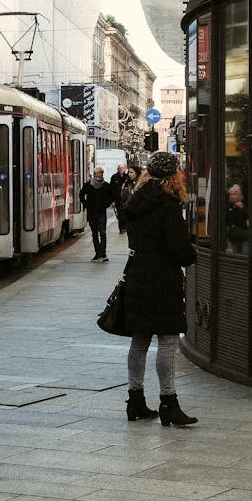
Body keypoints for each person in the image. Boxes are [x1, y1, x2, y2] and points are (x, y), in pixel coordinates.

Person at [122, 151, 198, 426]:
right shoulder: (167, 205)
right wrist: (190, 250)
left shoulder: (134, 202)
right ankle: (168, 403)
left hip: (137, 276)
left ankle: (136, 400)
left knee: (140, 340)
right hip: (163, 281)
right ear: (173, 176)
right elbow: (181, 252)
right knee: (167, 341)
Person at [79, 166, 113, 262]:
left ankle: (103, 253)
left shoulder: (106, 186)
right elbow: (81, 195)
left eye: (99, 177)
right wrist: (86, 204)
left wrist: (106, 204)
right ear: (93, 175)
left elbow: (112, 196)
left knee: (102, 233)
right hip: (92, 212)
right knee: (94, 234)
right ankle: (97, 253)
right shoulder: (88, 185)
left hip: (101, 212)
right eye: (96, 177)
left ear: (102, 175)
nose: (98, 179)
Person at [226, 183, 249, 254]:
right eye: (231, 195)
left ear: (239, 195)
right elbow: (228, 219)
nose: (233, 196)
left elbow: (248, 216)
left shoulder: (243, 205)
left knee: (244, 253)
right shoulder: (229, 206)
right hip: (234, 235)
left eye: (235, 194)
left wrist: (241, 208)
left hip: (243, 235)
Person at [110, 163, 129, 234]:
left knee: (125, 215)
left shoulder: (127, 177)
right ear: (118, 169)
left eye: (122, 168)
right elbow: (112, 188)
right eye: (120, 168)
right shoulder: (114, 177)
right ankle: (121, 228)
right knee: (120, 215)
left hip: (126, 200)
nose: (121, 169)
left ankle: (125, 227)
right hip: (118, 199)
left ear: (125, 169)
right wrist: (113, 199)